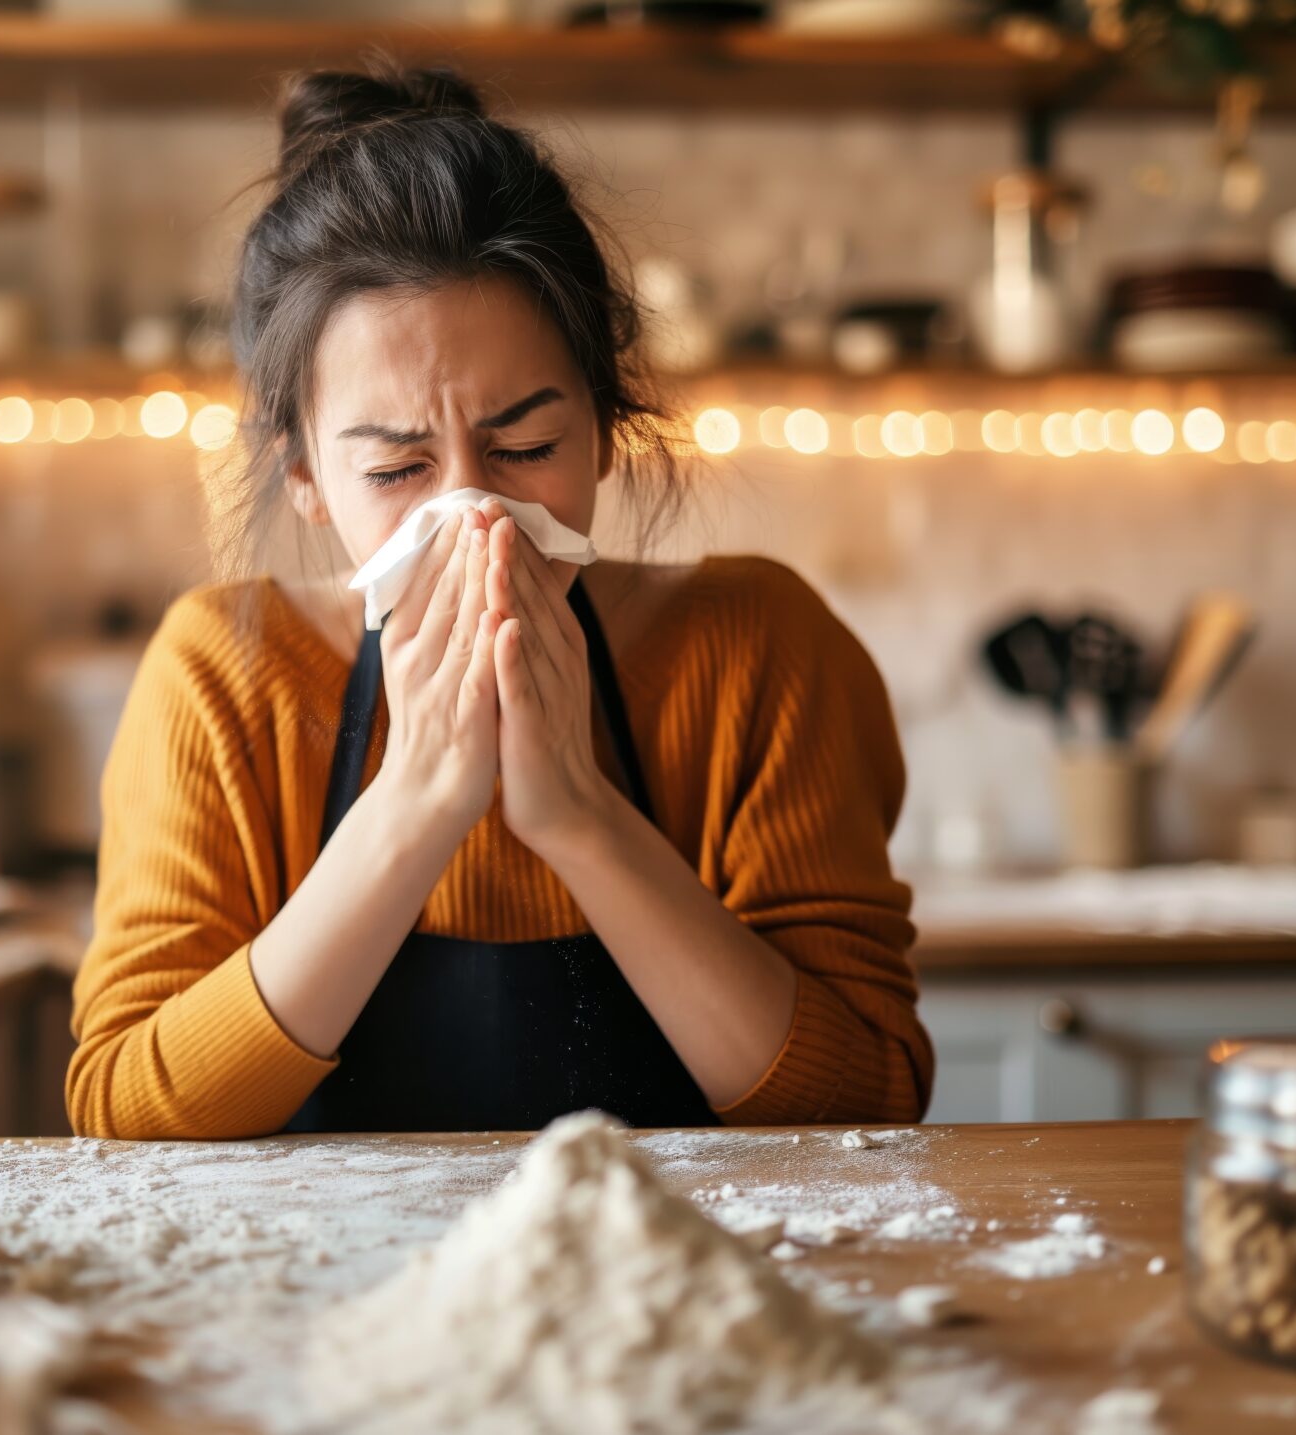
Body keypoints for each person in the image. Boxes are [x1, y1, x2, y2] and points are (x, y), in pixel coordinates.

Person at [65, 64, 932, 1139]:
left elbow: (864, 1098)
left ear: (606, 430)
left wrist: (579, 817)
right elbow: (127, 1110)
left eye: (525, 446)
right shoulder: (221, 675)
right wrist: (414, 807)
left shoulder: (759, 651)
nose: (474, 515)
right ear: (305, 479)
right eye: (396, 471)